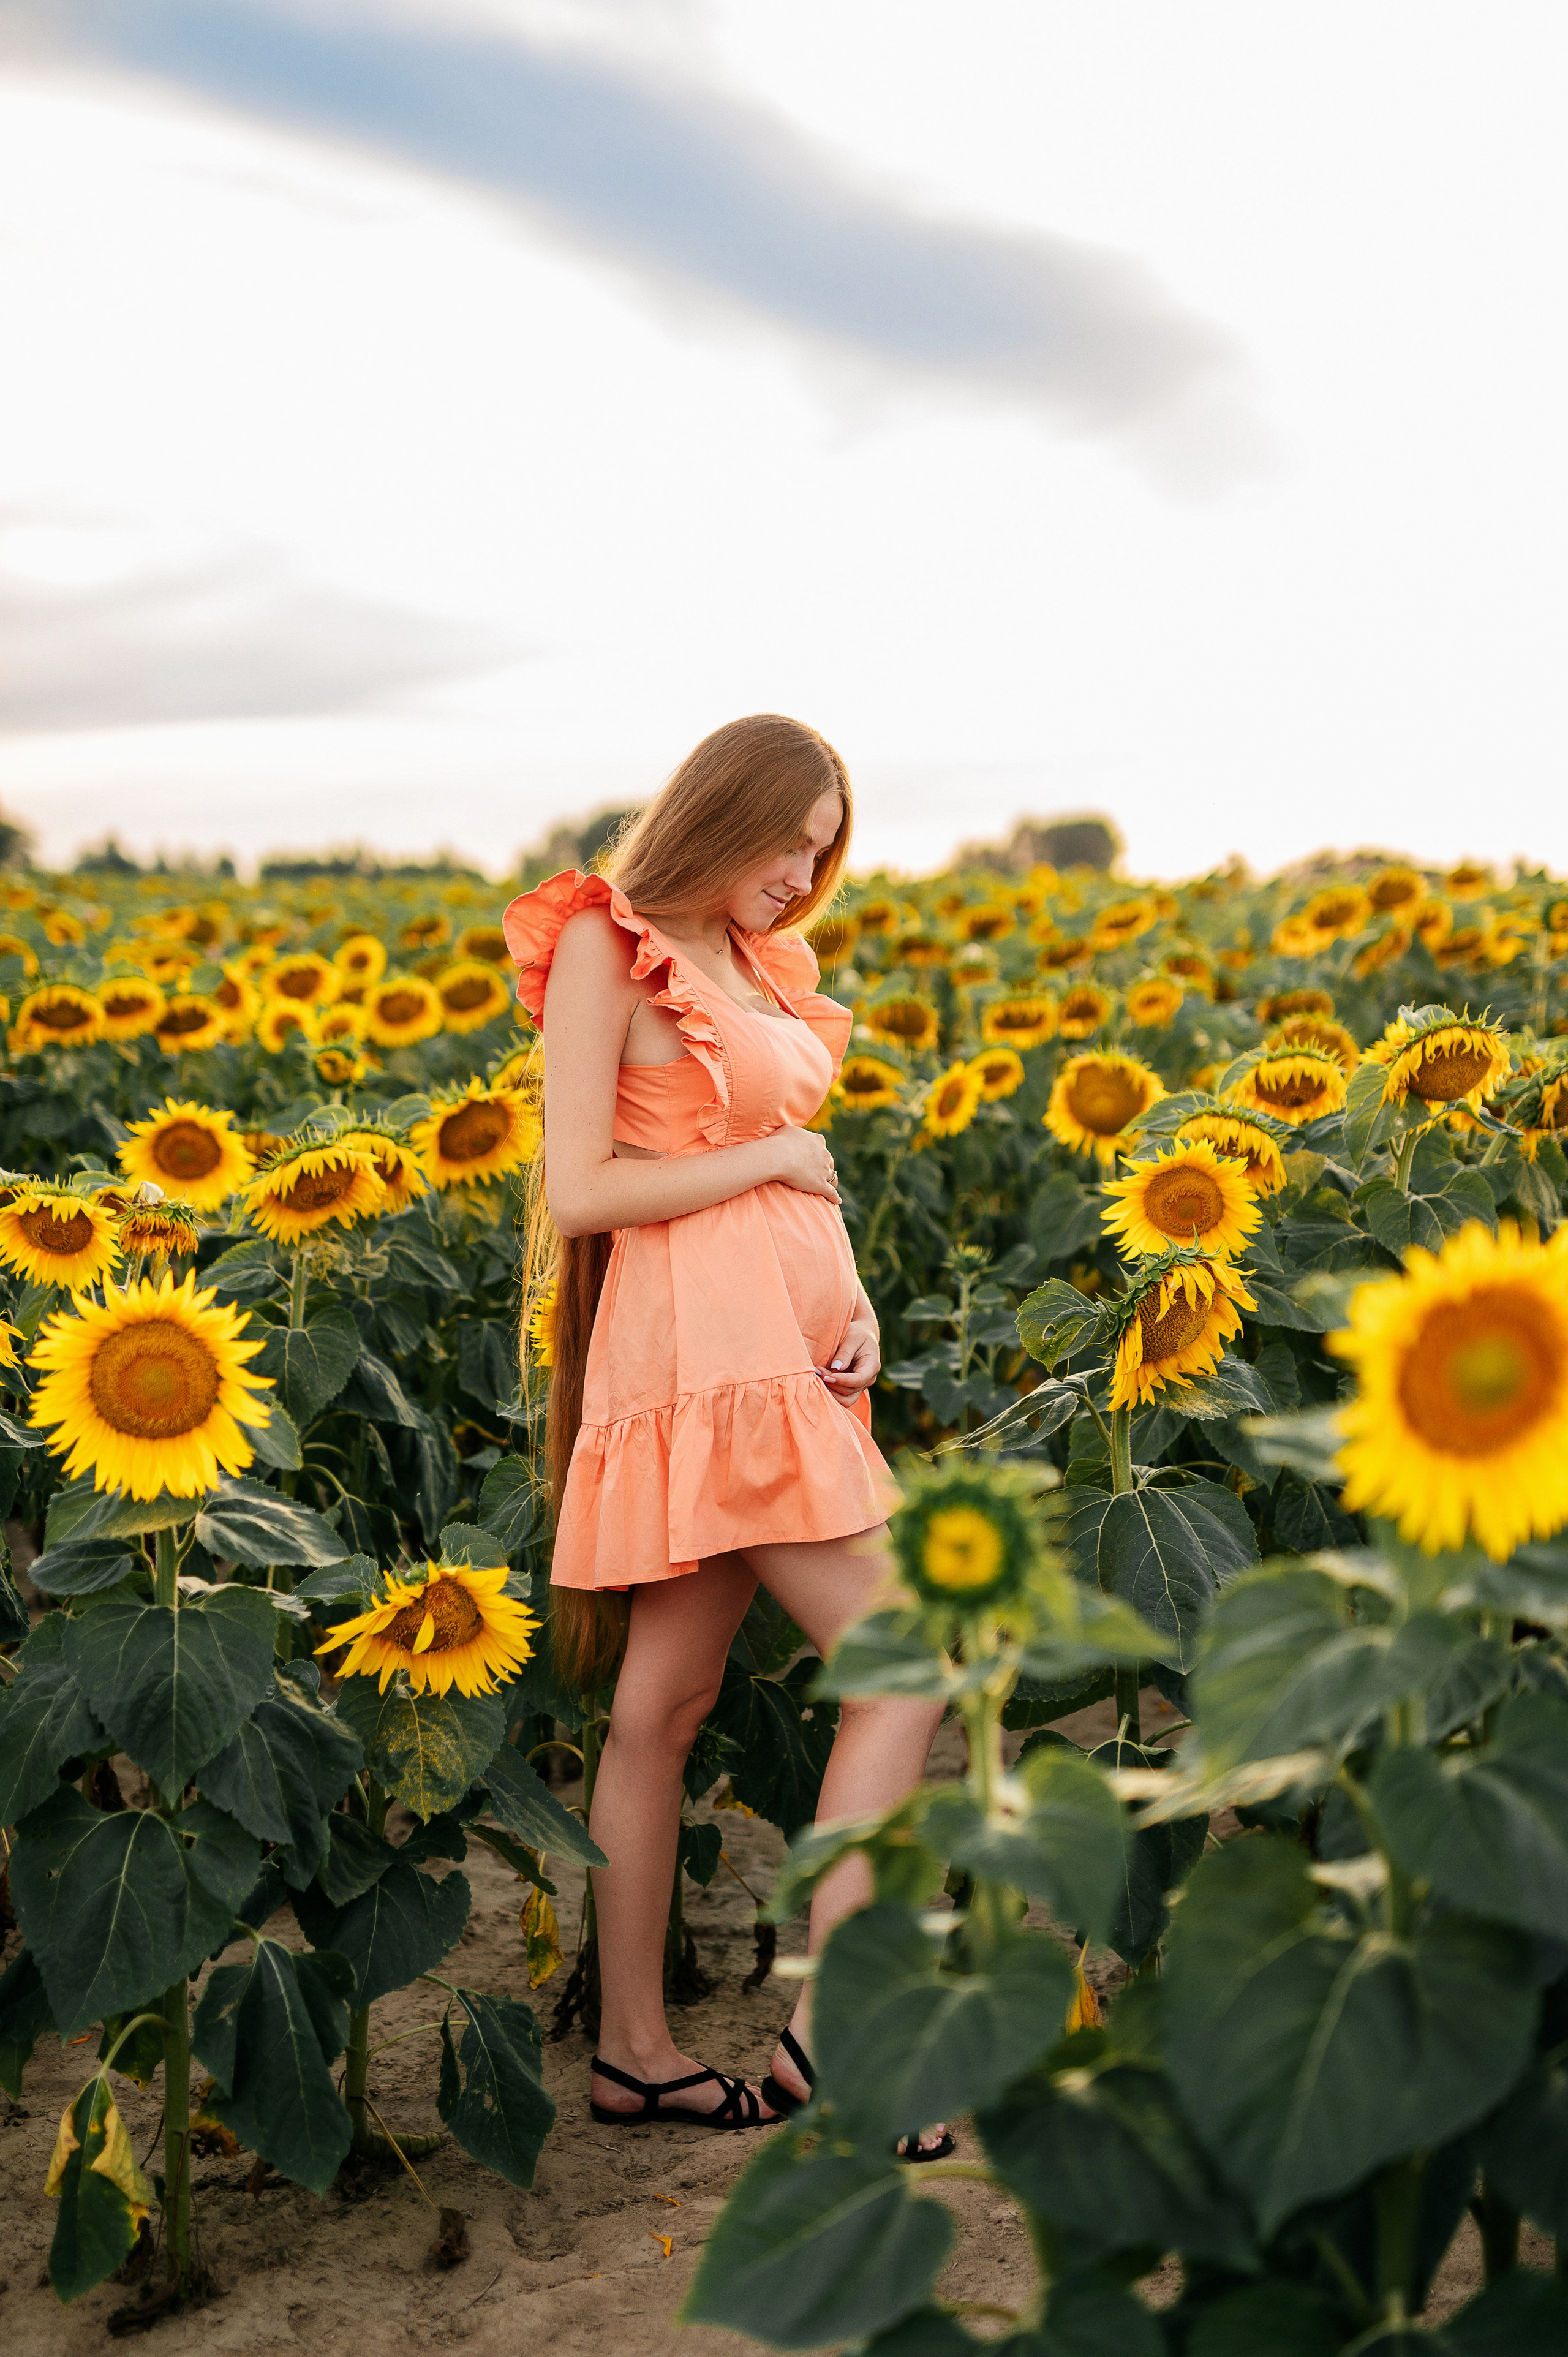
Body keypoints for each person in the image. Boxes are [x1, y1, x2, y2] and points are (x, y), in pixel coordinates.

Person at [503, 713, 949, 2152]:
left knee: (661, 1710)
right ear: (721, 809)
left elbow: (786, 1181)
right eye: (790, 837)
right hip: (705, 1355)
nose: (804, 869)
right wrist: (776, 1157)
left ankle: (634, 2053)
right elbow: (580, 1188)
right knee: (907, 1662)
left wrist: (858, 1289)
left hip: (782, 1350)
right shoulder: (602, 944)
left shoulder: (755, 964)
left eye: (825, 849)